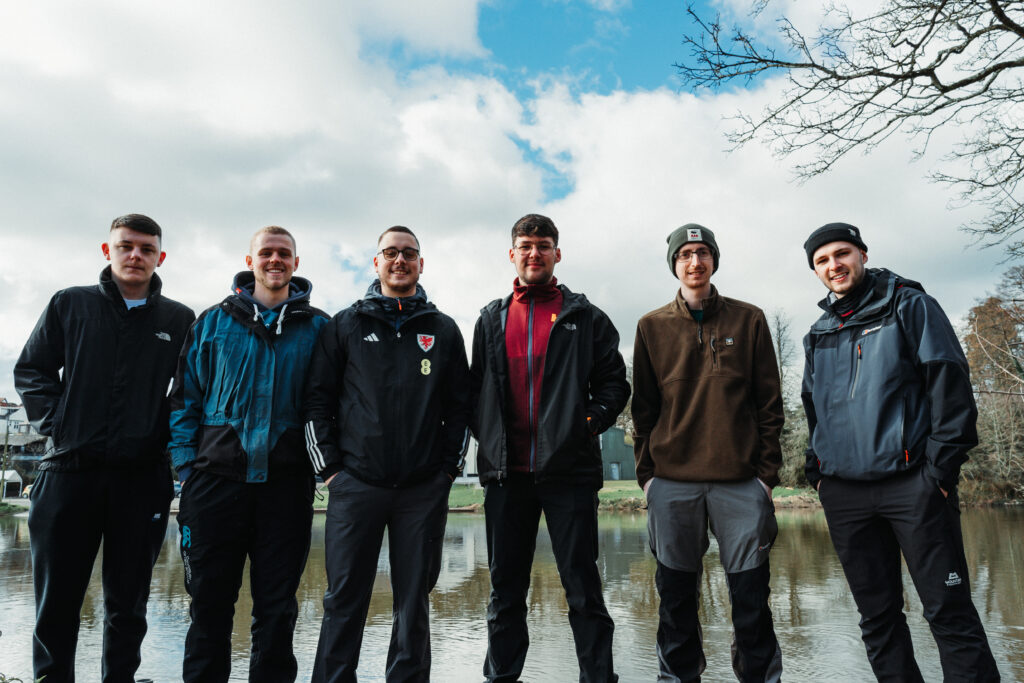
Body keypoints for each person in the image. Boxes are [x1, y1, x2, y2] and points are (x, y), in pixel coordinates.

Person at [801, 223, 1000, 682]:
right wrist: (820, 474)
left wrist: (939, 474)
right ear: (815, 271)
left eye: (842, 253)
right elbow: (813, 409)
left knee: (949, 614)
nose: (835, 265)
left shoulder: (910, 306)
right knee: (878, 621)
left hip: (914, 487)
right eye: (823, 260)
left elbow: (950, 387)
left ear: (863, 255)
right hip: (846, 495)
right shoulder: (819, 332)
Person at [14, 214, 195, 683]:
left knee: (128, 604)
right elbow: (32, 371)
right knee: (57, 602)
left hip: (141, 480)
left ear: (161, 257)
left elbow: (186, 395)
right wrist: (59, 425)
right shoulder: (70, 304)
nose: (135, 255)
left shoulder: (178, 319)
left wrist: (164, 444)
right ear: (107, 250)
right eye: (126, 246)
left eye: (146, 249)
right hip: (68, 473)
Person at [303, 226, 470, 683]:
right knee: (343, 598)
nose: (400, 260)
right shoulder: (346, 324)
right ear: (375, 262)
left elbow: (460, 410)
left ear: (421, 263)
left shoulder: (443, 330)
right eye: (390, 253)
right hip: (356, 485)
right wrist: (331, 472)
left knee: (413, 600)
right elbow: (317, 402)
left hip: (421, 490)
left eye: (409, 254)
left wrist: (446, 474)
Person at [470, 213, 630, 683]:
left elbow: (615, 386)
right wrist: (489, 437)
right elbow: (473, 391)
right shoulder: (490, 319)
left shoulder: (587, 317)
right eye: (525, 245)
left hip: (571, 473)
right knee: (505, 591)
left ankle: (598, 678)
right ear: (513, 254)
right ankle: (501, 677)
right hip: (506, 477)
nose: (534, 253)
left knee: (583, 588)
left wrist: (585, 425)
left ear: (557, 254)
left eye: (543, 245)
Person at [168, 226, 328, 682]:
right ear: (250, 260)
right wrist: (185, 469)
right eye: (266, 253)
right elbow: (183, 400)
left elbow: (333, 404)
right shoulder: (213, 322)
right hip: (214, 486)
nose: (275, 260)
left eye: (284, 254)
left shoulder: (320, 328)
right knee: (209, 608)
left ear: (296, 263)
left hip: (286, 488)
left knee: (277, 610)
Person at [631, 223, 785, 682]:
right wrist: (649, 478)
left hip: (741, 483)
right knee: (676, 600)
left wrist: (765, 477)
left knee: (751, 599)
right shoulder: (651, 326)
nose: (694, 262)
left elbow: (769, 405)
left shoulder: (750, 319)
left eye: (702, 253)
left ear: (714, 259)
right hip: (672, 484)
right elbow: (643, 410)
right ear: (674, 264)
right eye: (685, 255)